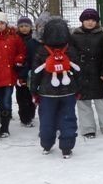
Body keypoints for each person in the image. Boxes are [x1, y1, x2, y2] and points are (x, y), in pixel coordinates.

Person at [29, 17, 80, 158]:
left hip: (47, 93)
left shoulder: (41, 50)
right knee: (68, 119)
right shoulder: (70, 50)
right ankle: (67, 147)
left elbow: (35, 73)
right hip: (68, 92)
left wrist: (34, 91)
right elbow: (78, 72)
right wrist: (78, 89)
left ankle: (46, 144)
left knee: (47, 119)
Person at [70, 8, 103, 139]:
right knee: (83, 102)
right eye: (87, 20)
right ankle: (88, 128)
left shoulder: (102, 36)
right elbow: (71, 54)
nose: (90, 22)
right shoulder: (75, 36)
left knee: (101, 101)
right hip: (81, 74)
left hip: (97, 73)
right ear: (82, 21)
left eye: (93, 20)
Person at [0, 11, 26, 141]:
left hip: (8, 77)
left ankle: (4, 128)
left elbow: (21, 51)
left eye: (2, 23)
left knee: (6, 102)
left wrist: (19, 58)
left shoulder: (14, 38)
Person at [15, 16, 39, 128]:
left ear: (31, 27)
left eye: (26, 26)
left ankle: (31, 113)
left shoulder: (35, 40)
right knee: (21, 95)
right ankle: (25, 118)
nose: (24, 28)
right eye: (21, 26)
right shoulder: (15, 39)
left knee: (31, 94)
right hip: (19, 70)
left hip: (32, 69)